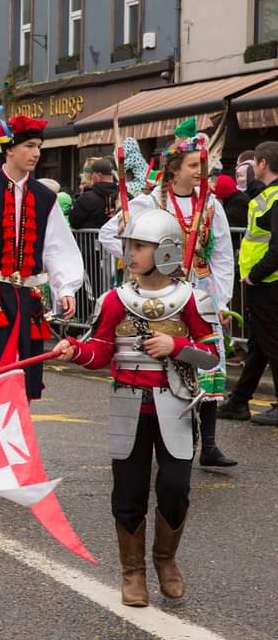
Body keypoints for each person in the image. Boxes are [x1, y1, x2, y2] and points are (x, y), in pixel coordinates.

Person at [54, 209, 219, 607]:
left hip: (176, 407)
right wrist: (75, 350)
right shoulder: (114, 299)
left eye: (139, 246)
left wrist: (175, 346)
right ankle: (133, 572)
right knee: (127, 493)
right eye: (129, 245)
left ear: (165, 251)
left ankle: (166, 561)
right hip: (128, 406)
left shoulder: (194, 300)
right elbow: (101, 351)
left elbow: (213, 357)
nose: (130, 253)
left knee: (175, 489)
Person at [98, 119, 236, 467]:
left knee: (205, 362)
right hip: (162, 294)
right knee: (167, 362)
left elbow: (221, 255)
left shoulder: (211, 205)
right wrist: (145, 264)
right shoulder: (148, 203)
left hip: (200, 291)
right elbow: (107, 235)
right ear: (174, 170)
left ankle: (210, 445)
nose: (200, 172)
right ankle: (168, 437)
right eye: (194, 165)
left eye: (202, 165)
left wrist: (223, 300)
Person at [0, 112, 84, 399]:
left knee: (23, 378)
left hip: (28, 299)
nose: (36, 153)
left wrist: (65, 287)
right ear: (9, 148)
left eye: (38, 147)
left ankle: (14, 439)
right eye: (29, 146)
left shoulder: (45, 197)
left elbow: (56, 246)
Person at [219, 141, 278, 425]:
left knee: (272, 344)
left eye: (256, 163)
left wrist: (255, 274)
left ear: (263, 164)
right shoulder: (266, 195)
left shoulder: (275, 198)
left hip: (268, 282)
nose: (253, 168)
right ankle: (240, 401)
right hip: (262, 282)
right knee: (258, 344)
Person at [69, 158, 117, 229]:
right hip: (116, 239)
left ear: (99, 175)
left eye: (92, 175)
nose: (91, 178)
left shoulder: (86, 198)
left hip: (90, 239)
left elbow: (74, 222)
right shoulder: (124, 195)